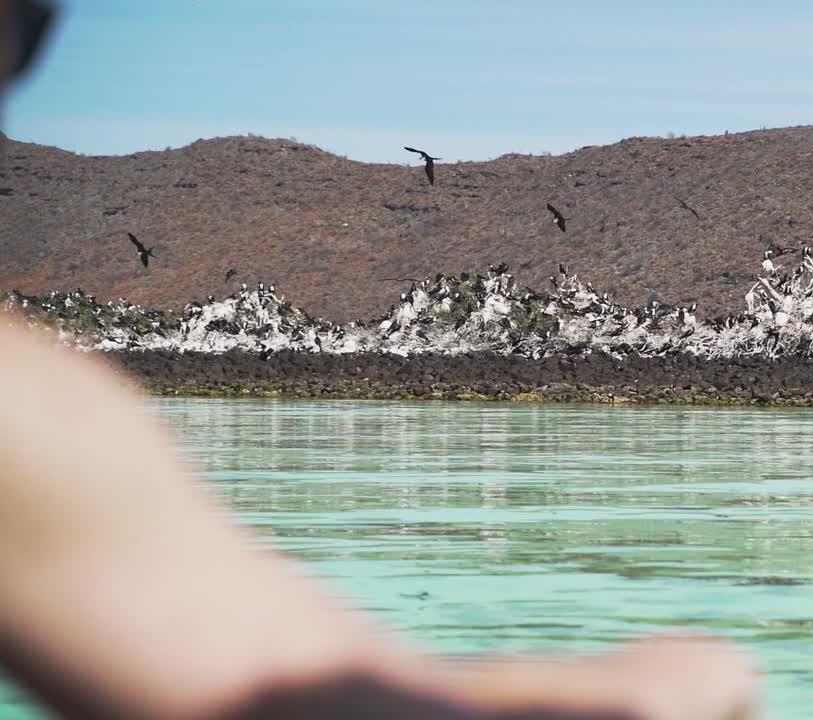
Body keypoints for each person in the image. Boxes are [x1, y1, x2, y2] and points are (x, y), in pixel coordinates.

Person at [0, 3, 761, 718]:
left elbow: (326, 684)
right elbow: (318, 691)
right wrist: (667, 679)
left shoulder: (34, 414)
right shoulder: (31, 417)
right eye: (30, 27)